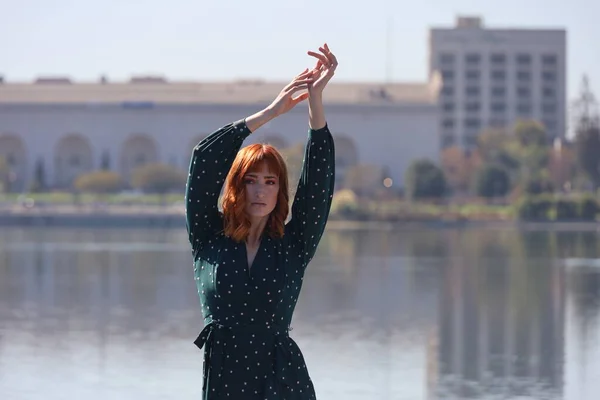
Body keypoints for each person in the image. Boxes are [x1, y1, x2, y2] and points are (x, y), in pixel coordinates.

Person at [185, 44, 337, 399]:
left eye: (270, 182)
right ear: (237, 186)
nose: (260, 191)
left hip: (282, 382)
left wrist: (315, 104)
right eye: (251, 180)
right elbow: (204, 159)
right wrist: (271, 112)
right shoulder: (209, 237)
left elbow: (319, 183)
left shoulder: (294, 243)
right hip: (224, 381)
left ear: (279, 190)